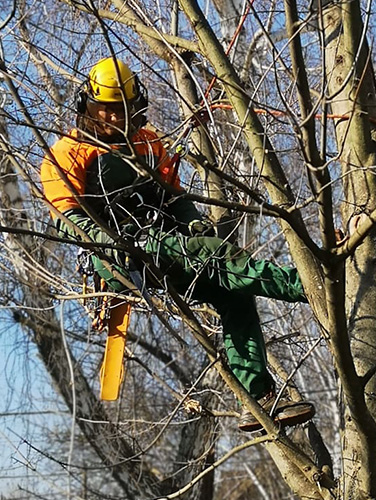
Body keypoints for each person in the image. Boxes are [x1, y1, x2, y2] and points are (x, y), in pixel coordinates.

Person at [40, 57, 315, 432]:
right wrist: (110, 242)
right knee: (211, 255)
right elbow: (69, 219)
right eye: (105, 111)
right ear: (88, 105)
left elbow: (172, 197)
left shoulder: (149, 143)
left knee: (233, 292)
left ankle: (257, 399)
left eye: (122, 111)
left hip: (165, 240)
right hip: (120, 252)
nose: (114, 120)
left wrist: (195, 221)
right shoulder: (68, 153)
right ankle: (307, 287)